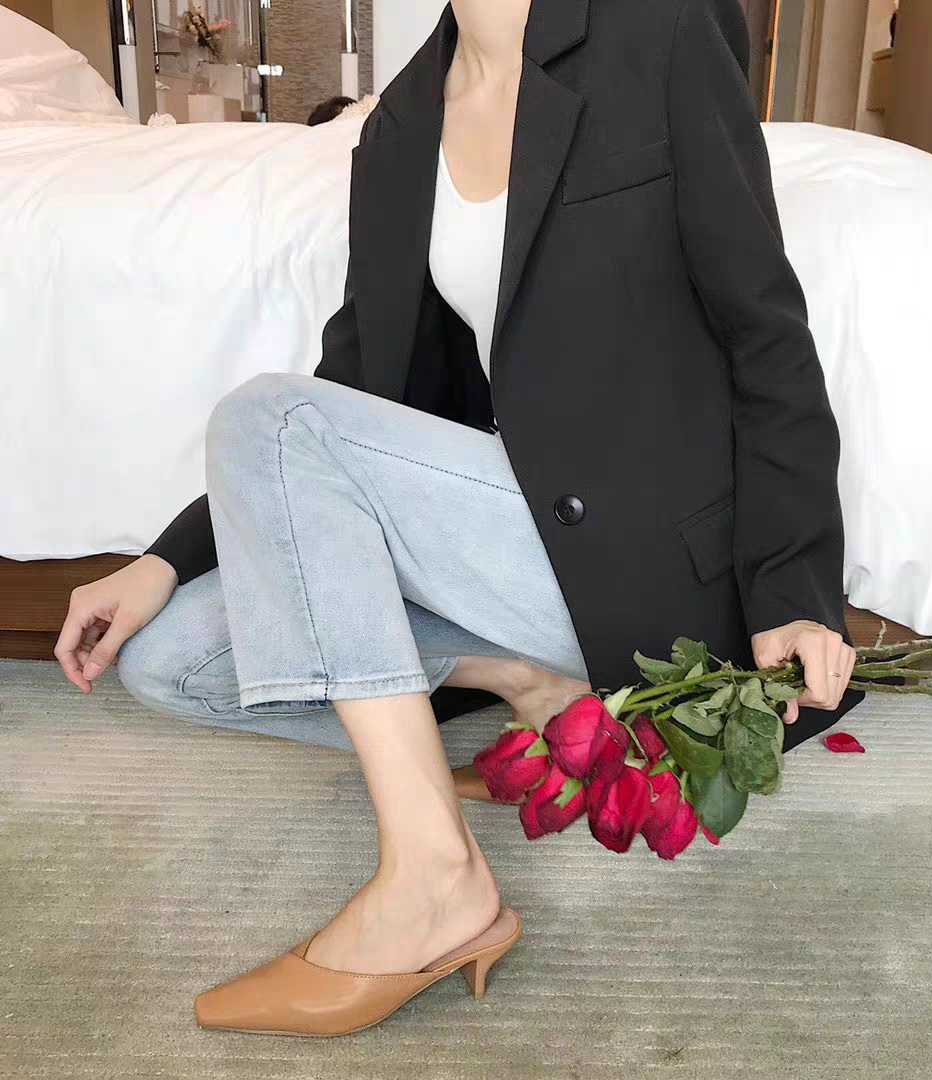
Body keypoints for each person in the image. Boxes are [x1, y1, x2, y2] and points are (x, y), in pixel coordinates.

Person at [55, 0, 863, 1036]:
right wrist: (163, 563)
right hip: (524, 549)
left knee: (269, 416)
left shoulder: (655, 29)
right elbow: (353, 395)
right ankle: (533, 682)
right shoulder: (398, 127)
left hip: (657, 560)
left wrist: (794, 587)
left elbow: (766, 330)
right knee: (172, 662)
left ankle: (434, 879)